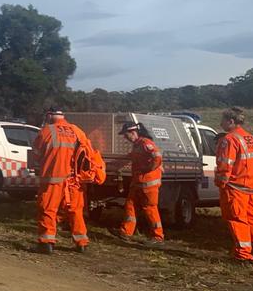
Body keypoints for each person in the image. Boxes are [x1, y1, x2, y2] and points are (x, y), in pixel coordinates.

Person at [32, 107, 99, 254]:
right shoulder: (77, 131)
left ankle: (46, 243)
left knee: (48, 209)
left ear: (49, 116)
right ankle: (81, 243)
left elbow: (35, 156)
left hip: (52, 179)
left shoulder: (46, 131)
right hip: (73, 180)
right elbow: (88, 154)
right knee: (75, 211)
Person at [216, 107, 253, 264]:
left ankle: (243, 255)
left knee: (237, 219)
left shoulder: (229, 140)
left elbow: (225, 165)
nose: (220, 123)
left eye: (222, 120)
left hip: (236, 188)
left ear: (231, 121)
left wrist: (221, 183)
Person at [110, 122, 164, 248]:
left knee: (150, 208)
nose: (125, 138)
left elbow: (157, 156)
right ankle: (125, 232)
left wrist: (149, 168)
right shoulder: (137, 145)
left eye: (125, 135)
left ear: (133, 132)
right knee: (130, 204)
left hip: (148, 184)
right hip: (138, 183)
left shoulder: (146, 143)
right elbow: (131, 158)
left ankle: (158, 236)